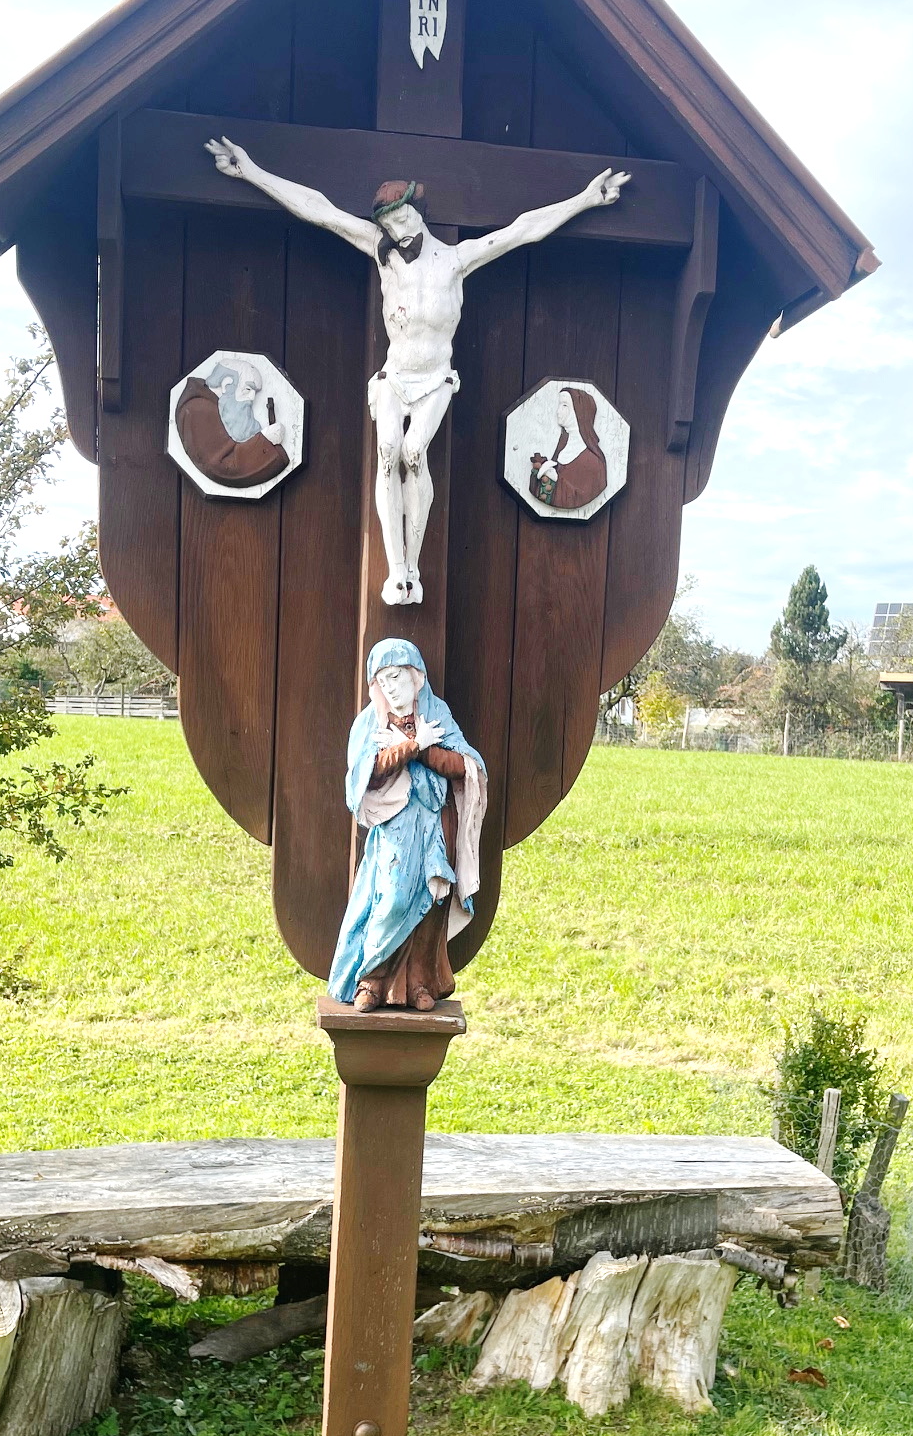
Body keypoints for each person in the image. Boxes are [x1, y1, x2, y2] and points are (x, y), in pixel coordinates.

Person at [204, 132, 629, 604]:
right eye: (389, 222)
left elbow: (521, 230)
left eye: (403, 217)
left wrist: (586, 199)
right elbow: (319, 210)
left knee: (412, 452)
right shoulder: (383, 255)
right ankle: (397, 570)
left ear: (418, 212)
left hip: (435, 379)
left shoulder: (455, 260)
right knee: (387, 450)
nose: (398, 228)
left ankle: (414, 565)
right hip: (395, 375)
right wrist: (252, 171)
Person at [328, 639, 487, 1012]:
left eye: (397, 677)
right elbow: (366, 776)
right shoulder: (371, 723)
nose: (391, 688)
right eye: (383, 681)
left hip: (436, 824)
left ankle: (419, 984)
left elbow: (464, 765)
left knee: (432, 902)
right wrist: (412, 747)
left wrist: (424, 748)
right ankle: (371, 980)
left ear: (416, 678)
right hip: (396, 828)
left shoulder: (437, 715)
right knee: (392, 900)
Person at [173, 361, 289, 490]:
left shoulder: (220, 408)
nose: (252, 398)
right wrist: (265, 440)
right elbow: (220, 467)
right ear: (226, 384)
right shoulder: (198, 411)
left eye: (254, 392)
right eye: (248, 389)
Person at [529, 385, 608, 511]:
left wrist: (555, 480)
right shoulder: (561, 449)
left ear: (580, 411)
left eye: (565, 405)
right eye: (560, 405)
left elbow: (582, 495)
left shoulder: (594, 462)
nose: (558, 411)